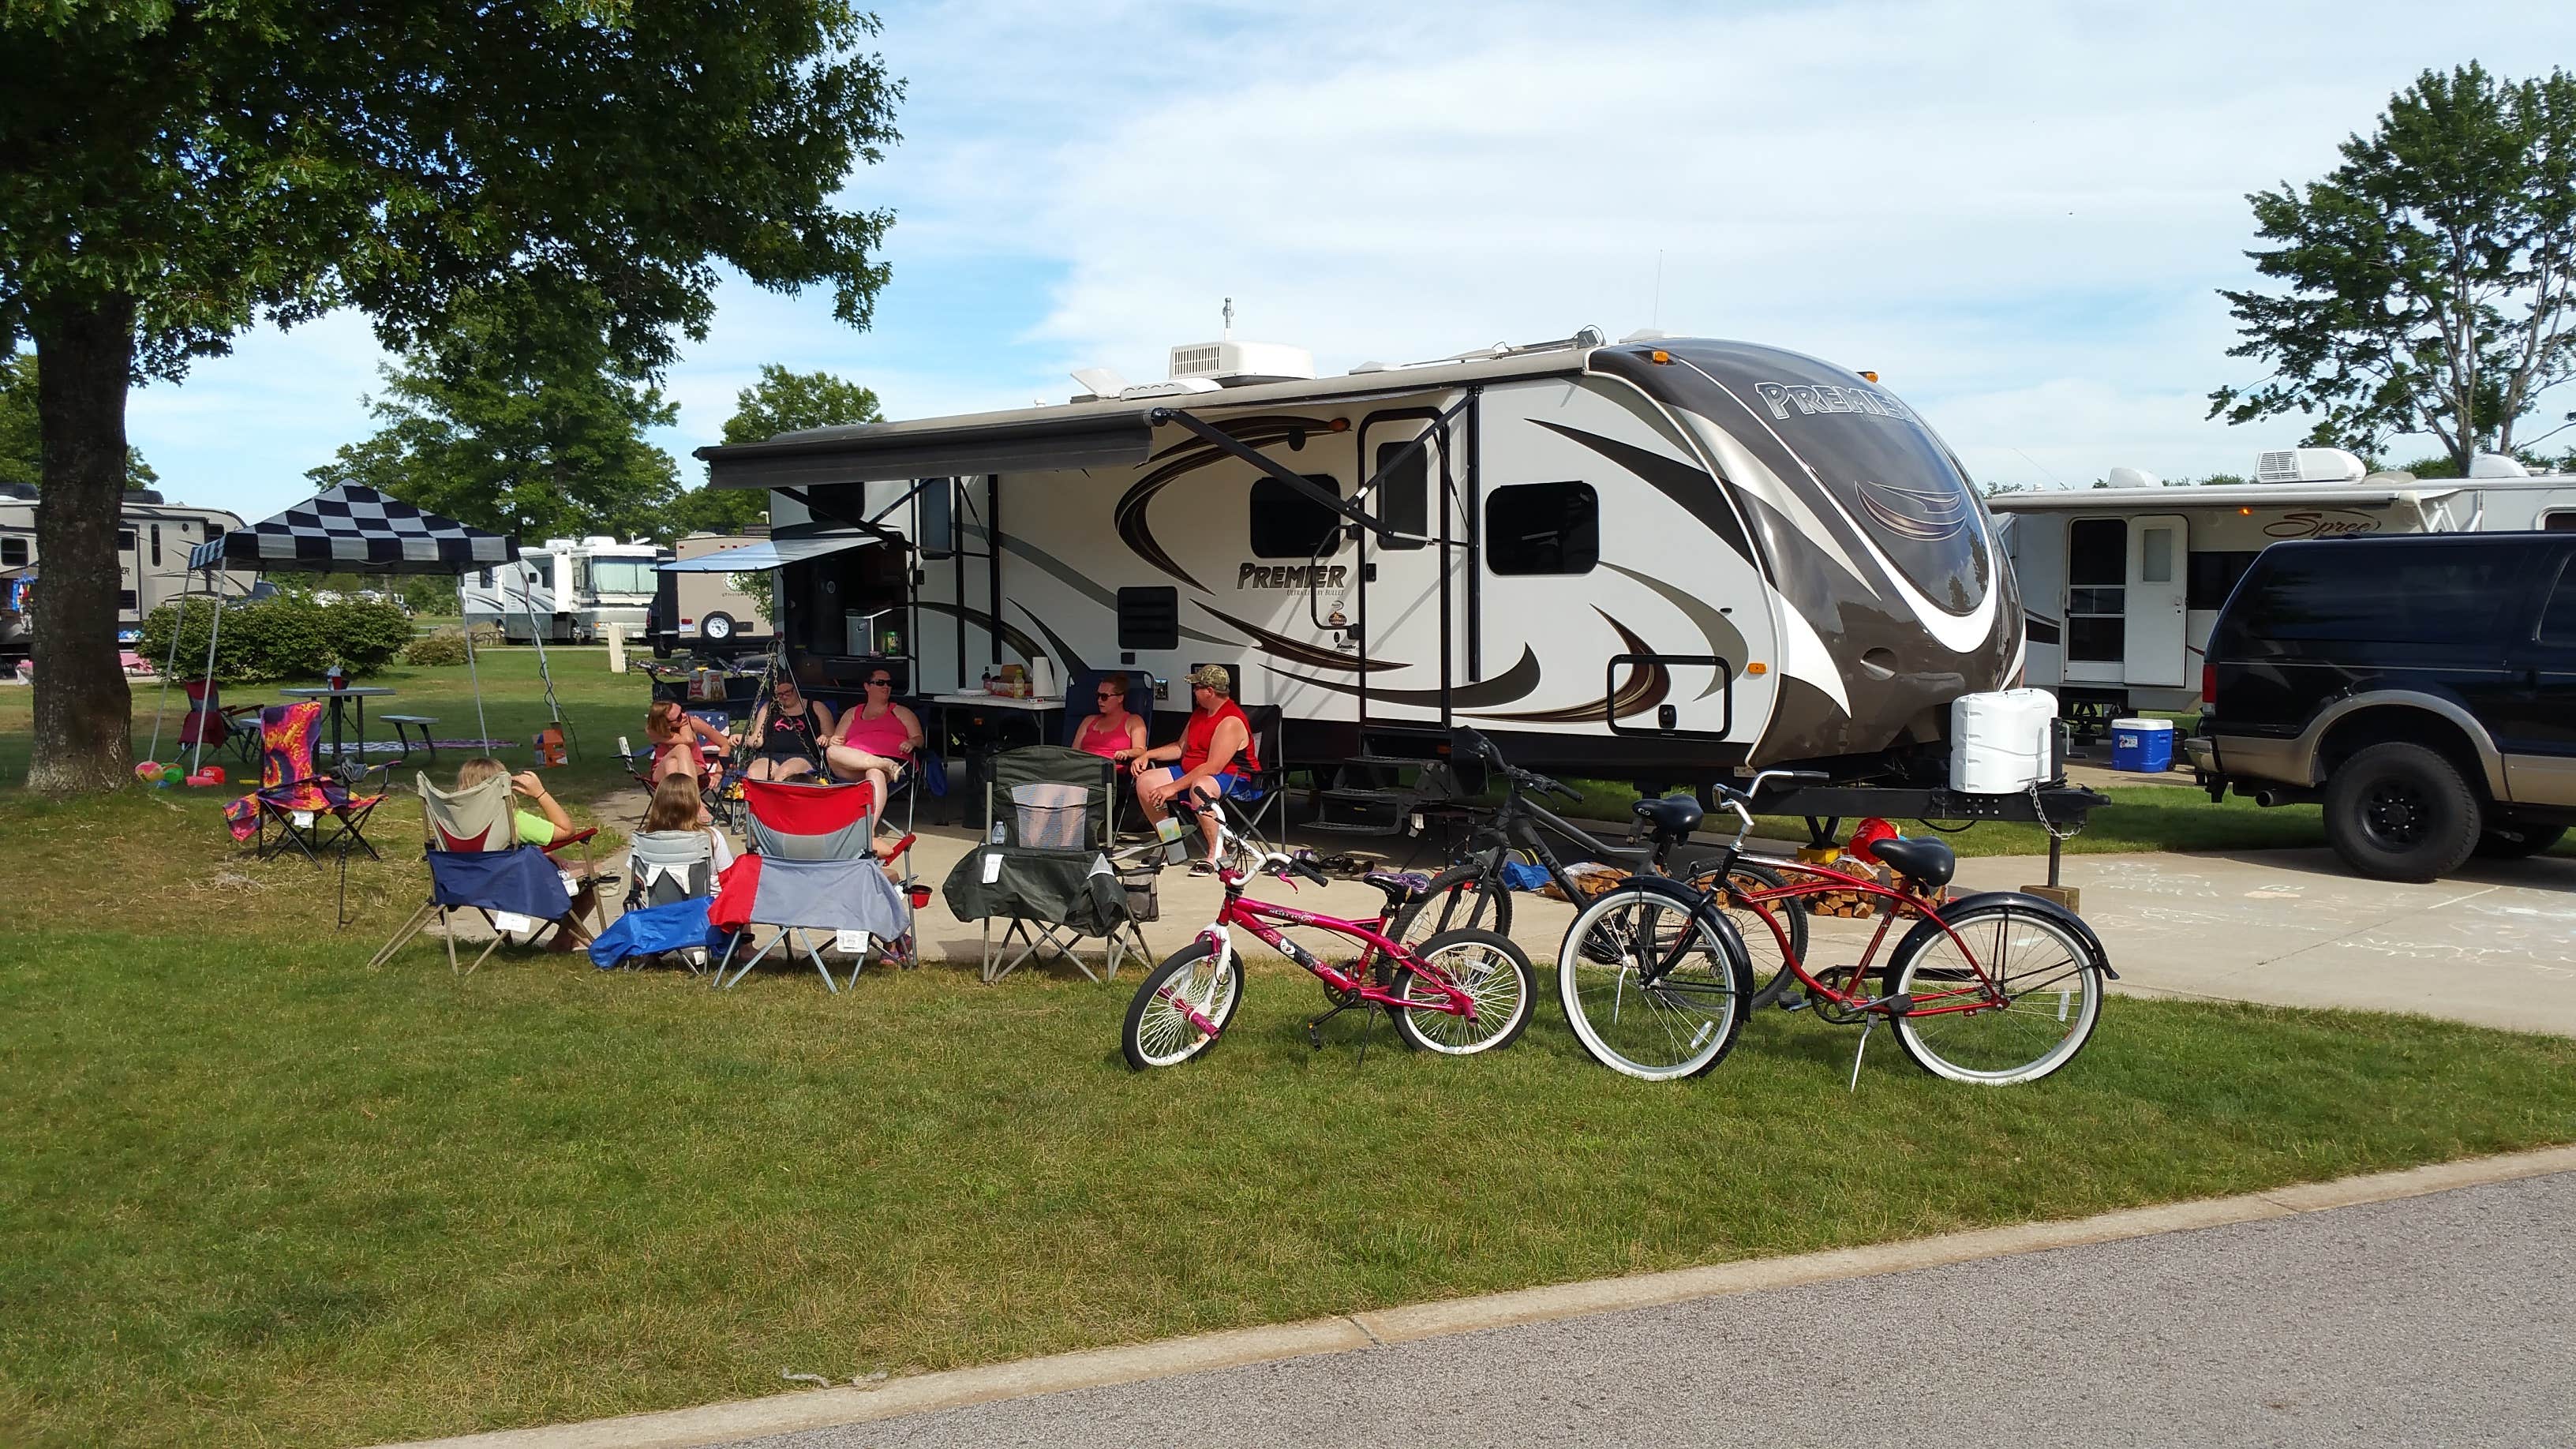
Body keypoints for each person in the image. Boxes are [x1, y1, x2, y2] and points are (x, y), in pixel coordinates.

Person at [454, 755, 601, 949]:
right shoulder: (513, 819)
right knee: (593, 871)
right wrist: (540, 793)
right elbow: (567, 830)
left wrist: (532, 852)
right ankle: (564, 938)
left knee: (557, 865)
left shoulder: (451, 820)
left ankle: (570, 934)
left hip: (462, 883)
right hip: (510, 886)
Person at [1126, 664, 1260, 871]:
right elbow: (1181, 748)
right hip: (1195, 772)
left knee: (1200, 787)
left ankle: (1217, 853)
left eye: (1196, 687)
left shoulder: (1230, 720)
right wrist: (1148, 754)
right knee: (1146, 782)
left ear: (1209, 691)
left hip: (1237, 780)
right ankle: (1171, 843)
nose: (1193, 691)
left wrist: (1172, 787)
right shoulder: (1200, 713)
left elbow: (1213, 767)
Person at [825, 667, 923, 810]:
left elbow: (919, 739)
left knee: (874, 772)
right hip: (854, 766)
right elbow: (838, 740)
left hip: (894, 766)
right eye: (880, 683)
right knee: (832, 751)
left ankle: (870, 829)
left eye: (889, 684)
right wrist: (833, 739)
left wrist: (912, 742)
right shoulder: (852, 713)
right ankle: (884, 764)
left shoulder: (901, 711)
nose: (886, 686)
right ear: (867, 686)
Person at [743, 675, 834, 782]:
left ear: (796, 689)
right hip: (769, 756)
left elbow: (832, 737)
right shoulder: (768, 708)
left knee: (785, 774)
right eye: (780, 694)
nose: (785, 697)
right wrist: (743, 738)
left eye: (788, 692)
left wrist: (825, 738)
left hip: (803, 757)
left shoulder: (816, 707)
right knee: (755, 775)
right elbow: (757, 740)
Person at [638, 772, 735, 873]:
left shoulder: (643, 838)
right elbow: (727, 874)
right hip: (703, 888)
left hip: (660, 889)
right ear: (695, 803)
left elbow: (638, 879)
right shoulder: (711, 836)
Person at [644, 700, 733, 786]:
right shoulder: (654, 730)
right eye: (678, 717)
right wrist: (685, 725)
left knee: (673, 764)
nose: (684, 716)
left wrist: (718, 775)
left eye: (683, 711)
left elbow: (725, 744)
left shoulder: (693, 722)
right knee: (680, 751)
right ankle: (692, 798)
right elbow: (688, 740)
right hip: (661, 771)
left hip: (695, 769)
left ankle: (680, 800)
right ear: (664, 724)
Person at [1073, 672, 1150, 762]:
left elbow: (1141, 751)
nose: (1099, 700)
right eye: (1098, 696)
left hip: (1110, 770)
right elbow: (1074, 751)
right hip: (1083, 766)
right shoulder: (1089, 720)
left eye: (1104, 696)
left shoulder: (1133, 721)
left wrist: (1127, 753)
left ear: (1120, 698)